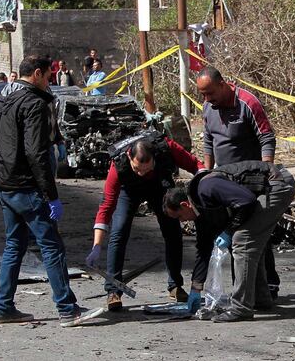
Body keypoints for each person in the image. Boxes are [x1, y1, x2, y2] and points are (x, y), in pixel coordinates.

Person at [0, 54, 97, 326]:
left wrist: (2, 168)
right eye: (48, 76)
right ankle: (67, 309)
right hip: (25, 187)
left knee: (14, 245)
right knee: (51, 246)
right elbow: (36, 153)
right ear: (36, 73)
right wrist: (52, 195)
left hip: (3, 184)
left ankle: (3, 307)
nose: (50, 82)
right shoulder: (33, 103)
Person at [85, 132, 206, 312]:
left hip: (160, 186)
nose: (142, 173)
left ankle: (175, 285)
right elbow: (106, 207)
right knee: (119, 231)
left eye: (147, 169)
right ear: (129, 157)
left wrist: (207, 188)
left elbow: (196, 165)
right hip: (129, 191)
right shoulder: (118, 164)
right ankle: (113, 290)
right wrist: (96, 245)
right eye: (137, 169)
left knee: (172, 229)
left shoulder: (166, 147)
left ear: (155, 158)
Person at [164, 161, 295, 322]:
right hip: (270, 186)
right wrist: (196, 288)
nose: (182, 221)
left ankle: (241, 308)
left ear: (184, 205)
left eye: (179, 216)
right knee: (249, 241)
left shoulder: (207, 188)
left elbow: (247, 202)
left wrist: (228, 232)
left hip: (276, 184)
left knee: (243, 241)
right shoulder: (200, 209)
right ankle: (259, 298)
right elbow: (204, 248)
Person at [196, 66, 282, 299]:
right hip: (224, 181)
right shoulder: (208, 108)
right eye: (203, 95)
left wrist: (266, 170)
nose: (207, 99)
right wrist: (207, 170)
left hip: (250, 179)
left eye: (210, 93)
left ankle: (269, 284)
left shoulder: (247, 103)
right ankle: (244, 289)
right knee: (236, 234)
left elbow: (266, 137)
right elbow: (208, 139)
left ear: (222, 84)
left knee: (256, 233)